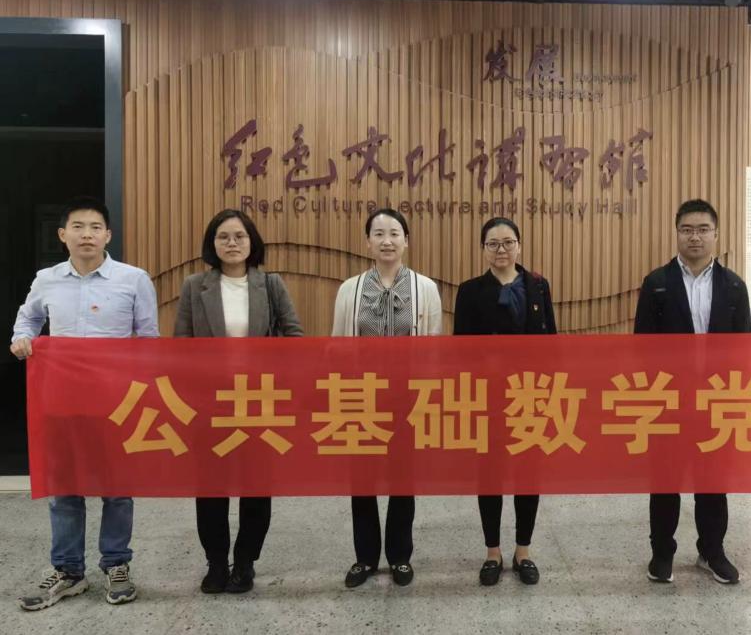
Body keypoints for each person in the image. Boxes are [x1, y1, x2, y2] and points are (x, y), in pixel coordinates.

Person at [10, 196, 158, 611]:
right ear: (63, 235)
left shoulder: (133, 279)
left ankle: (116, 564)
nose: (87, 234)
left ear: (108, 235)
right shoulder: (46, 279)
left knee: (117, 488)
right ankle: (68, 570)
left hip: (116, 402)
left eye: (95, 227)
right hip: (61, 400)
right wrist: (22, 339)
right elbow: (27, 319)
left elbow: (148, 340)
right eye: (78, 227)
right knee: (64, 488)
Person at [174, 209, 303, 595]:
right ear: (212, 244)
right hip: (209, 403)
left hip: (259, 400)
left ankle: (245, 562)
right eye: (223, 237)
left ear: (252, 242)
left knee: (256, 486)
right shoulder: (194, 286)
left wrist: (272, 368)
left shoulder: (271, 284)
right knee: (210, 488)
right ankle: (216, 563)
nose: (232, 243)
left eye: (239, 236)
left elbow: (295, 336)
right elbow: (181, 346)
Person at [633, 198, 751, 586]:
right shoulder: (657, 283)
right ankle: (661, 553)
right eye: (687, 230)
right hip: (669, 400)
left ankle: (712, 552)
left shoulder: (734, 286)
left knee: (712, 483)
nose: (694, 237)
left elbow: (744, 348)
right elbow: (642, 348)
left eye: (702, 229)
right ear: (677, 234)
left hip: (717, 400)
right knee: (665, 481)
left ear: (716, 234)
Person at [331, 208, 442, 588]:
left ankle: (399, 556)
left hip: (406, 399)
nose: (387, 240)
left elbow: (433, 350)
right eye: (378, 233)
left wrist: (427, 397)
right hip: (360, 397)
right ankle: (364, 558)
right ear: (367, 242)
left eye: (394, 233)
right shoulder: (350, 289)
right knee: (361, 481)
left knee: (402, 480)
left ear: (406, 241)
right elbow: (339, 345)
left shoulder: (425, 288)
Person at [453, 217, 556, 586]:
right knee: (490, 476)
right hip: (488, 397)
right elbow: (460, 351)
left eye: (508, 242)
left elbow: (551, 340)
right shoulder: (469, 291)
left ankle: (523, 550)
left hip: (530, 395)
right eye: (493, 243)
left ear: (519, 246)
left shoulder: (538, 286)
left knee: (528, 475)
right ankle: (493, 551)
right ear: (483, 249)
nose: (502, 250)